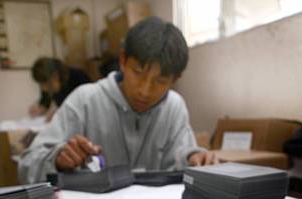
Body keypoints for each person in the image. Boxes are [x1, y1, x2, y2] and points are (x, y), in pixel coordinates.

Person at [19, 17, 217, 183]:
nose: (145, 90)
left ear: (176, 79)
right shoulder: (85, 100)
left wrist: (195, 159)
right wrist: (57, 159)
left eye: (160, 80)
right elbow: (26, 165)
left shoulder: (175, 107)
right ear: (122, 60)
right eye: (138, 72)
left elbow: (182, 157)